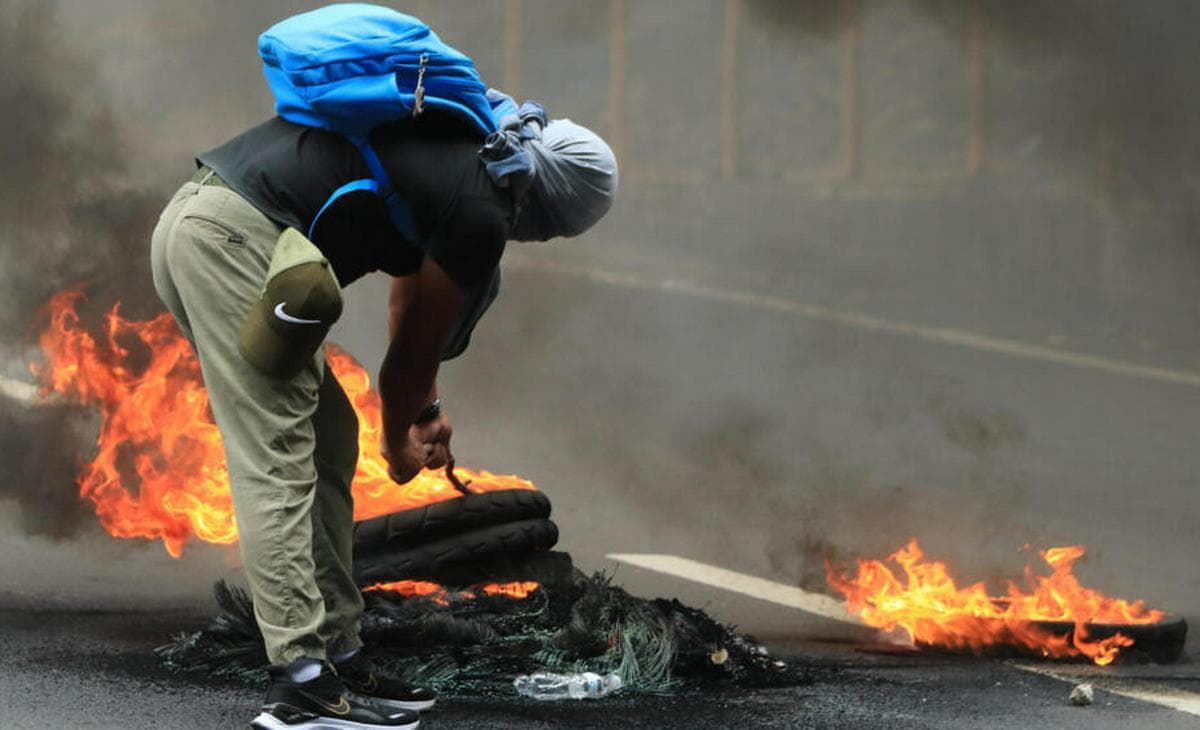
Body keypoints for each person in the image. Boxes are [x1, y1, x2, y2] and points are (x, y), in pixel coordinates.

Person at [149, 25, 617, 730]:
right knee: (278, 457)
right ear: (550, 206)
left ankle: (338, 652)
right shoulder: (483, 211)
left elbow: (408, 307)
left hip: (207, 224)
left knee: (329, 435)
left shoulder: (469, 148)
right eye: (551, 229)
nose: (536, 239)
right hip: (230, 243)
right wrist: (400, 439)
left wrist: (422, 410)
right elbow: (411, 358)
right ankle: (301, 686)